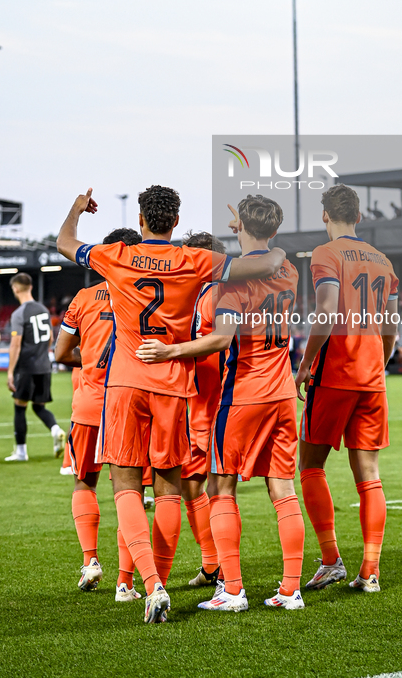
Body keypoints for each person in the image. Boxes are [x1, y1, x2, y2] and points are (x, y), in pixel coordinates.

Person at [57, 184, 286, 624]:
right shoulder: (194, 259)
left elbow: (65, 242)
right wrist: (245, 230)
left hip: (125, 384)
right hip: (173, 387)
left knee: (125, 484)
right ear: (176, 223)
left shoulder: (117, 256)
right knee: (167, 489)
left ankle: (149, 584)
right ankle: (159, 579)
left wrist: (77, 208)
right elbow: (269, 261)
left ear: (141, 219)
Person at [138, 195, 305, 613]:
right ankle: (290, 590)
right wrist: (251, 232)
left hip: (243, 394)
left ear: (241, 228)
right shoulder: (290, 270)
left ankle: (232, 589)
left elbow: (219, 340)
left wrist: (169, 352)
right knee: (283, 489)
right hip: (284, 390)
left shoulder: (233, 285)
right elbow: (267, 252)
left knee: (220, 487)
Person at [295, 184, 398, 593]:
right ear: (359, 216)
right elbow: (390, 327)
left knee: (310, 466)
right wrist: (380, 362)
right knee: (370, 475)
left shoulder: (326, 253)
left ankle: (330, 559)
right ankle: (369, 571)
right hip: (372, 377)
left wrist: (304, 364)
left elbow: (325, 311)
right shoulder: (383, 260)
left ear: (325, 215)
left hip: (335, 373)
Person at [54, 227, 144, 598]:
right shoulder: (144, 296)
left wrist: (88, 360)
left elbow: (60, 354)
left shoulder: (84, 297)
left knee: (83, 483)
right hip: (130, 404)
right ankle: (126, 582)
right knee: (129, 492)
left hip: (90, 405)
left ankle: (90, 560)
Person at [180, 231, 227, 589]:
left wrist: (171, 351)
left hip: (209, 403)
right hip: (215, 401)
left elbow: (211, 346)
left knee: (205, 486)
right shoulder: (223, 293)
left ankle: (221, 568)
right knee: (195, 483)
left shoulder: (212, 296)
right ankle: (214, 565)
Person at [4, 273, 65, 462]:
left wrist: (10, 372)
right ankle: (56, 430)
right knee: (39, 407)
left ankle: (21, 452)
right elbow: (51, 339)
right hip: (44, 366)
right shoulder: (44, 310)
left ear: (15, 289)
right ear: (30, 287)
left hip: (27, 367)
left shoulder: (19, 313)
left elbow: (15, 344)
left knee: (19, 407)